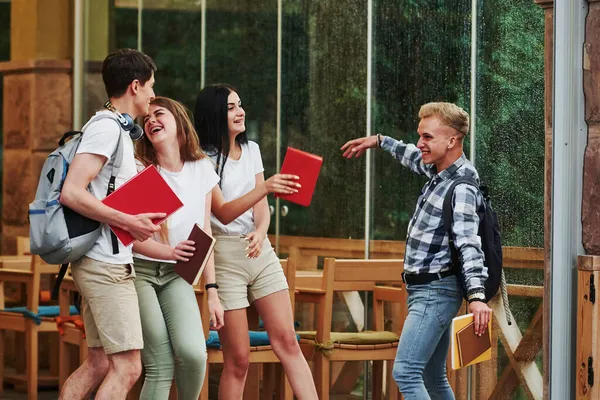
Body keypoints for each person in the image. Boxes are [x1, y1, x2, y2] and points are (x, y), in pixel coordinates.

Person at [341, 102, 492, 399]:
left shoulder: (461, 187)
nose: (420, 143)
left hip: (436, 291)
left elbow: (468, 242)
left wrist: (476, 296)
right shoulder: (440, 171)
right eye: (419, 136)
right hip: (426, 290)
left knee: (406, 372)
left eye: (427, 137)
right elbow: (414, 157)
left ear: (452, 141)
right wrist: (380, 141)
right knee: (433, 377)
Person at [194, 84, 318, 400]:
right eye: (232, 107)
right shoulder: (202, 160)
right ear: (214, 115)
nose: (241, 112)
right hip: (222, 255)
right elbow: (221, 211)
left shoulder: (252, 151)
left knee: (288, 341)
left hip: (260, 251)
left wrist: (262, 232)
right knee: (238, 359)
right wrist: (266, 188)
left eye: (241, 104)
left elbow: (261, 212)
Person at [59, 49, 162, 400]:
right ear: (134, 86)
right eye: (150, 86)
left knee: (100, 362)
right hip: (106, 265)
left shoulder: (113, 128)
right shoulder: (106, 128)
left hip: (103, 261)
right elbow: (71, 192)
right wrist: (128, 220)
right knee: (129, 367)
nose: (152, 94)